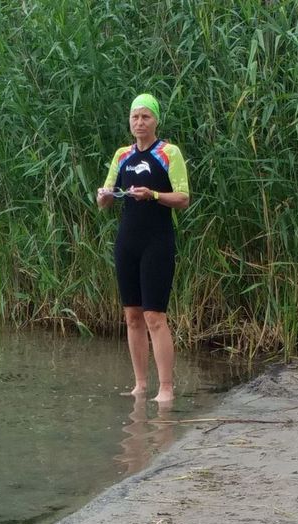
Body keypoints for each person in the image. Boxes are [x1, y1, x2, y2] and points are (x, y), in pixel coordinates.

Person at [97, 93, 189, 403]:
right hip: (127, 242)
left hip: (157, 242)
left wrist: (153, 195)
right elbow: (105, 200)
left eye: (145, 117)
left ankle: (166, 388)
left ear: (156, 121)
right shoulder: (122, 155)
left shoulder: (168, 153)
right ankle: (140, 384)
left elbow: (183, 198)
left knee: (154, 316)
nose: (139, 122)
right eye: (135, 117)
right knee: (132, 316)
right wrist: (103, 196)